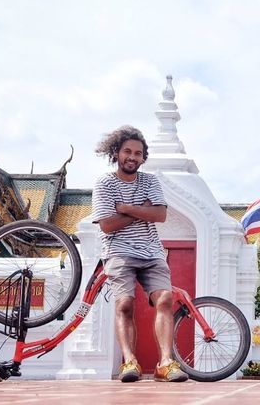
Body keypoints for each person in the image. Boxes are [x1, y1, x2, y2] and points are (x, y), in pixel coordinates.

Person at [91, 125, 188, 383]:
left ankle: (165, 363)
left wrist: (123, 208)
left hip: (151, 250)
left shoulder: (150, 181)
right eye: (127, 151)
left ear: (143, 157)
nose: (132, 157)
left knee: (165, 299)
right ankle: (129, 362)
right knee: (125, 304)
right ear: (116, 153)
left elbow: (159, 214)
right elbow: (107, 225)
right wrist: (139, 209)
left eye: (138, 153)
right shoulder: (104, 183)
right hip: (118, 250)